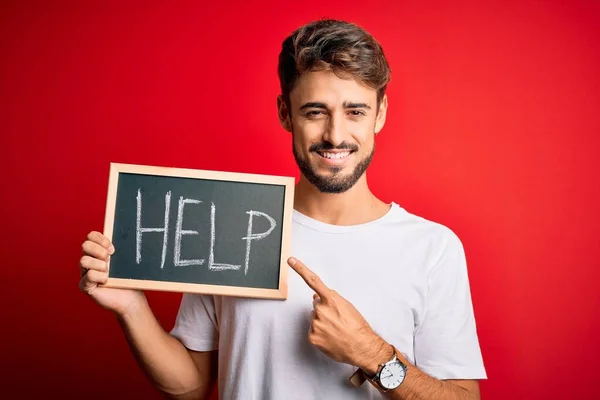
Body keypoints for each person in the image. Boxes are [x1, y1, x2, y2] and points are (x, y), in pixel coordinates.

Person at [79, 19, 486, 399]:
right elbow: (190, 384)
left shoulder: (433, 248)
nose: (335, 135)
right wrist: (131, 307)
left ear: (380, 113)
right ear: (284, 113)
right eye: (315, 112)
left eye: (355, 111)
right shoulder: (228, 222)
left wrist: (374, 354)